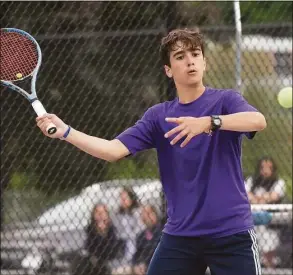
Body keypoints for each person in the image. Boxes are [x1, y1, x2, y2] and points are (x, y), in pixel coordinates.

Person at [36, 28, 267, 275]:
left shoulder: (225, 101)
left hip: (231, 232)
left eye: (195, 54)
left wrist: (210, 122)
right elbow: (112, 150)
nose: (190, 60)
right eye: (180, 56)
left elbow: (257, 120)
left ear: (204, 62)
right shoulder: (158, 116)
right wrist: (67, 132)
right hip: (181, 237)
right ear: (168, 70)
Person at [245, 156, 286, 268]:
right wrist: (263, 198)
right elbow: (246, 196)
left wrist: (257, 198)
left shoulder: (278, 182)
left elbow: (274, 196)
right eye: (263, 167)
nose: (266, 170)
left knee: (269, 250)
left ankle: (269, 267)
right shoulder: (251, 180)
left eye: (269, 168)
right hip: (251, 219)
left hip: (269, 222)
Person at [71, 203, 124, 275]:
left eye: (103, 212)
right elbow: (89, 249)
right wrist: (99, 234)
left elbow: (111, 251)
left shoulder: (112, 230)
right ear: (93, 215)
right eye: (97, 212)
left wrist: (103, 234)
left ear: (107, 215)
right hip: (91, 264)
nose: (100, 214)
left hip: (109, 263)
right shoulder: (89, 230)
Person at [111, 187, 144, 274]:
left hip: (137, 246)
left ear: (132, 198)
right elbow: (118, 233)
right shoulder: (119, 214)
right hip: (124, 248)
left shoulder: (138, 212)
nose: (123, 201)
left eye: (125, 198)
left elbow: (139, 231)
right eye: (121, 198)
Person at [132, 204, 162, 275]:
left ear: (156, 214)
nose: (146, 216)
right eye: (143, 213)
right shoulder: (141, 235)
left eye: (149, 212)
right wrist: (136, 266)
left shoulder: (163, 232)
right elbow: (136, 254)